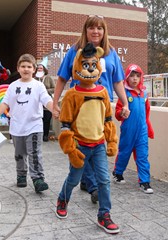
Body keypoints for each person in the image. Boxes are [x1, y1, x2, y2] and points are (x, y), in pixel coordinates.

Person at [53, 15, 130, 203]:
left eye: (99, 28)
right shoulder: (75, 50)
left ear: (104, 31)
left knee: (98, 143)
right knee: (82, 142)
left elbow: (118, 80)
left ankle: (86, 181)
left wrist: (125, 103)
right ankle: (94, 186)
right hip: (79, 105)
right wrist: (55, 102)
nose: (96, 31)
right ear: (85, 30)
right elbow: (63, 77)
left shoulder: (110, 52)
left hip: (102, 106)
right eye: (91, 28)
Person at [56, 42, 120, 234]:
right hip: (80, 146)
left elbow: (108, 119)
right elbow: (65, 125)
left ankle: (104, 214)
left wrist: (111, 141)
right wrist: (71, 150)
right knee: (74, 179)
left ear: (98, 66)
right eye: (86, 65)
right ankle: (62, 199)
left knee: (104, 180)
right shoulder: (72, 94)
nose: (90, 69)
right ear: (77, 66)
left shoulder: (102, 92)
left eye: (93, 65)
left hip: (99, 144)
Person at [0, 53, 53, 193]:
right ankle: (21, 175)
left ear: (34, 69)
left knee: (35, 153)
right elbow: (5, 103)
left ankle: (38, 179)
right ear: (18, 68)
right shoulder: (12, 86)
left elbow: (46, 100)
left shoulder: (38, 86)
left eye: (29, 66)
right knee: (19, 154)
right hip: (17, 126)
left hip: (34, 126)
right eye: (23, 66)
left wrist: (55, 109)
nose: (26, 69)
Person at [112, 64, 154, 194]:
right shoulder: (124, 93)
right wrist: (121, 113)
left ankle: (144, 181)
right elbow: (118, 112)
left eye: (137, 76)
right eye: (132, 76)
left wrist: (148, 127)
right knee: (124, 152)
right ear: (127, 77)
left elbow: (147, 112)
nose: (135, 79)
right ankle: (118, 173)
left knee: (142, 155)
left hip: (142, 130)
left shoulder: (144, 93)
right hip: (128, 129)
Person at [34, 57, 56, 142]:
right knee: (39, 120)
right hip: (37, 103)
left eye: (41, 68)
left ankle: (45, 135)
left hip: (47, 103)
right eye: (38, 68)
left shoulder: (48, 78)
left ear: (44, 69)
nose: (39, 69)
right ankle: (38, 136)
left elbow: (54, 88)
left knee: (47, 119)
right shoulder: (35, 79)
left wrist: (44, 91)